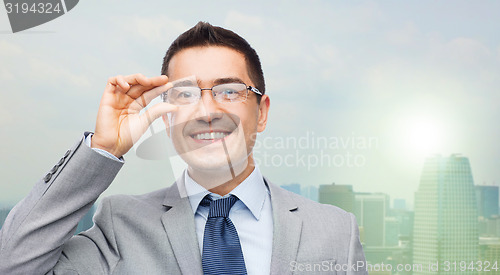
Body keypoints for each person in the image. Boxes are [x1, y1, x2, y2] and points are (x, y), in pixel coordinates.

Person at [0, 22, 367, 274]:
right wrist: (104, 147)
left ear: (262, 111)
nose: (207, 111)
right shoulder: (121, 224)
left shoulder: (335, 231)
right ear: (164, 117)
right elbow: (13, 265)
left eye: (229, 91)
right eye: (186, 94)